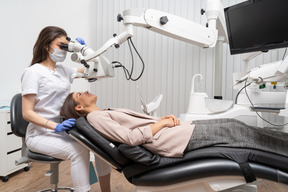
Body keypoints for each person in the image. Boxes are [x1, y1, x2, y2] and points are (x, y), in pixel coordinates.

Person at [60, 91, 288, 158]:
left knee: (236, 125)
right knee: (238, 130)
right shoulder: (96, 118)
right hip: (174, 140)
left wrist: (161, 121)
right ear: (78, 107)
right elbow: (130, 139)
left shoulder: (103, 113)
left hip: (176, 132)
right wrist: (164, 125)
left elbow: (134, 129)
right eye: (81, 93)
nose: (87, 90)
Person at [21, 26, 111, 192]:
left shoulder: (63, 71)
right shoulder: (33, 72)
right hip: (40, 134)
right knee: (78, 151)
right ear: (46, 46)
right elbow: (27, 113)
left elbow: (101, 70)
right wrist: (55, 126)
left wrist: (86, 51)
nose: (64, 50)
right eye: (60, 45)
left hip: (63, 131)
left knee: (100, 145)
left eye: (66, 46)